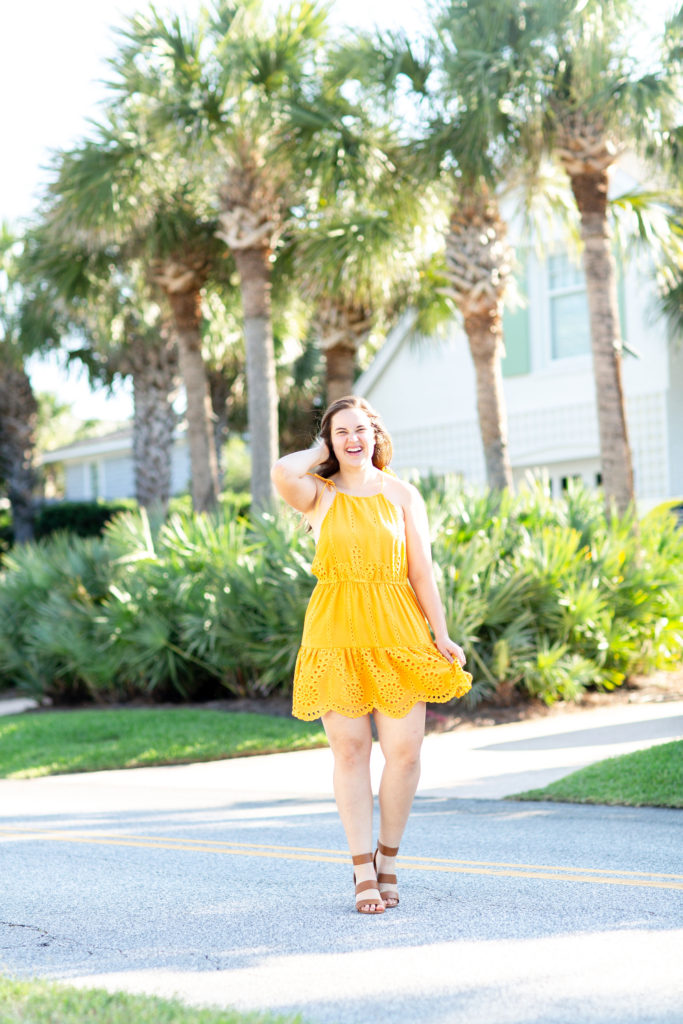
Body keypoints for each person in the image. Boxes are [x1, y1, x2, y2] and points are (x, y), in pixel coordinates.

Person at [271, 396, 472, 915]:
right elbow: (281, 469)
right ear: (330, 442)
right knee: (351, 751)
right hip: (335, 635)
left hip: (399, 632)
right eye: (341, 433)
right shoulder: (319, 493)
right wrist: (323, 451)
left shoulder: (402, 494)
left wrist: (441, 634)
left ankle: (388, 857)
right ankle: (362, 869)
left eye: (360, 430)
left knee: (405, 752)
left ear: (376, 435)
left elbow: (421, 571)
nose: (353, 439)